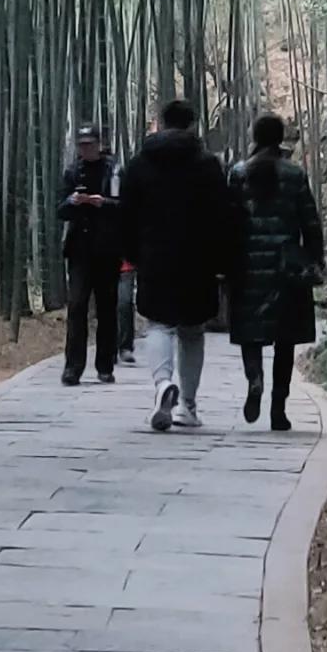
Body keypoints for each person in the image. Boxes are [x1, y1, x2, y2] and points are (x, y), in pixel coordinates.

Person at [118, 95, 235, 432]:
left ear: (162, 122)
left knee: (158, 324)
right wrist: (223, 259)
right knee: (192, 331)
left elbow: (126, 213)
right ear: (192, 124)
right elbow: (222, 215)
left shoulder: (140, 163)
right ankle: (187, 406)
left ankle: (161, 384)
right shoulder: (208, 164)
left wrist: (130, 251)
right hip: (198, 258)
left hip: (154, 255)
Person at [227, 112, 324, 430]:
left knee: (250, 335)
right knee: (285, 339)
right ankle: (278, 409)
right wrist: (315, 259)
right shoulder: (295, 175)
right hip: (287, 269)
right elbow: (310, 221)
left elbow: (227, 222)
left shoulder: (238, 173)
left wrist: (224, 264)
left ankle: (254, 379)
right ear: (280, 138)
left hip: (247, 266)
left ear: (255, 137)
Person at [58, 127, 121, 386]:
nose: (86, 149)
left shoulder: (114, 170)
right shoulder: (73, 172)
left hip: (107, 249)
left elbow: (124, 205)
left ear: (99, 144)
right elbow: (59, 210)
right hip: (80, 250)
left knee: (107, 308)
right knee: (77, 306)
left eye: (90, 144)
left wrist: (102, 203)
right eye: (82, 145)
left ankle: (105, 365)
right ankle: (73, 367)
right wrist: (74, 202)